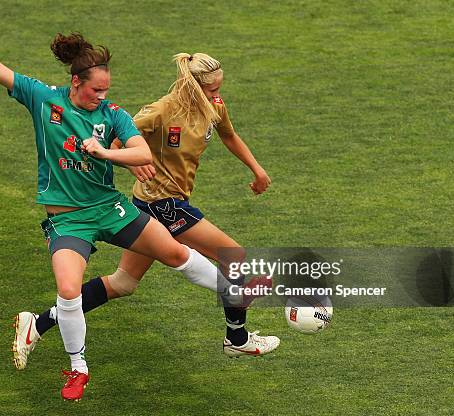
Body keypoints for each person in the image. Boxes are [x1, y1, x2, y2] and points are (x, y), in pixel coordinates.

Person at [0, 15, 274, 402]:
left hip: (111, 208)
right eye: (96, 90)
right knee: (68, 288)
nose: (102, 97)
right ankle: (78, 368)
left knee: (173, 255)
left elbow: (140, 149)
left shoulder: (113, 115)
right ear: (76, 82)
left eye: (106, 90)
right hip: (68, 219)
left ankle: (236, 298)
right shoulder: (45, 99)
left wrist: (107, 152)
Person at [14, 52, 280, 371]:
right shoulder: (162, 110)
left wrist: (257, 170)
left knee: (123, 283)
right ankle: (237, 339)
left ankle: (38, 324)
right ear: (193, 88)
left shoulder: (214, 107)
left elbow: (228, 135)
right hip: (161, 202)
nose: (217, 95)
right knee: (233, 255)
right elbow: (111, 139)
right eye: (211, 90)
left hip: (164, 202)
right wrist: (134, 166)